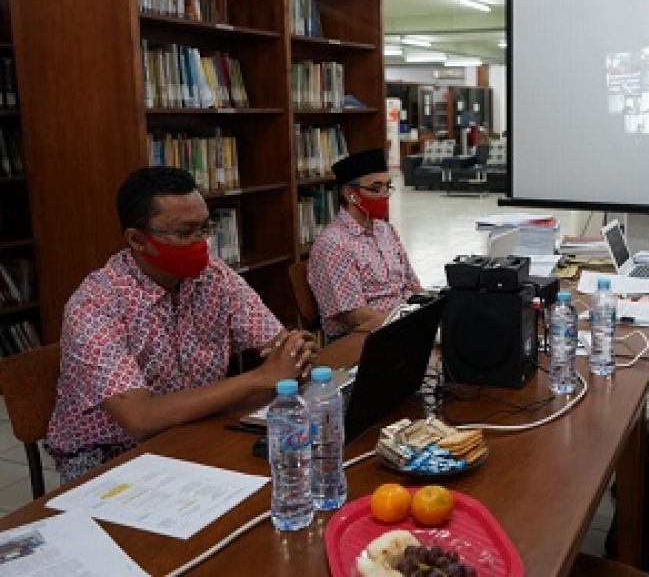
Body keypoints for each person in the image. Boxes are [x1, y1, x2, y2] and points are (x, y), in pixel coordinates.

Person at [45, 167, 317, 483]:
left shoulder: (214, 277)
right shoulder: (95, 304)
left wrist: (297, 353)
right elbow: (141, 418)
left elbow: (279, 345)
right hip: (112, 456)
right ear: (137, 239)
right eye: (185, 233)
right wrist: (262, 377)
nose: (201, 244)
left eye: (204, 229)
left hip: (197, 426)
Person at [308, 148, 420, 337]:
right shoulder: (333, 244)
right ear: (350, 194)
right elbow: (354, 315)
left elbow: (412, 284)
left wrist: (430, 309)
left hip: (401, 323)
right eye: (376, 188)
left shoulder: (385, 230)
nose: (384, 194)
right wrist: (402, 327)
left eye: (387, 187)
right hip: (364, 336)